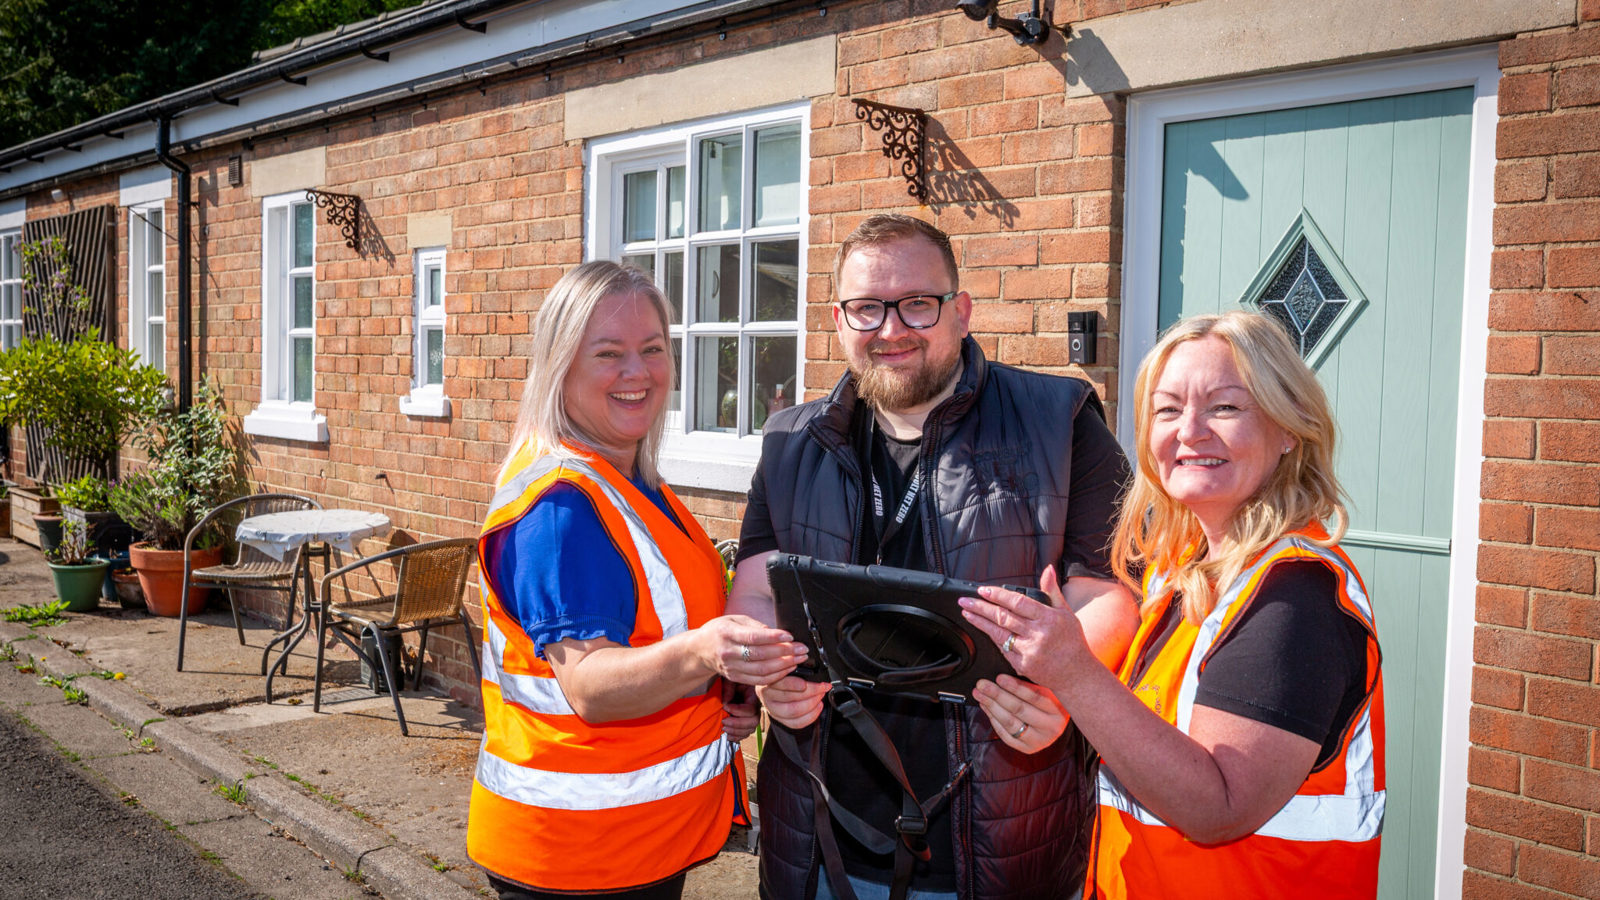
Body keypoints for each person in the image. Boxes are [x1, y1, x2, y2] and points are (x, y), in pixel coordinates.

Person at [727, 214, 1139, 900]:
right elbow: (755, 591)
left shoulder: (1062, 421)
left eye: (917, 303)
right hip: (822, 843)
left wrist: (1062, 692)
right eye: (867, 308)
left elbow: (1108, 595)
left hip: (1004, 838)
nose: (891, 329)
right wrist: (769, 674)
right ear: (838, 319)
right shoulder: (789, 442)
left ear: (962, 311)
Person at [960, 311, 1386, 899]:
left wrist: (1073, 673)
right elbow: (1150, 740)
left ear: (1289, 428)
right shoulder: (1180, 572)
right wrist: (1063, 712)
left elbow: (1219, 806)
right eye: (1167, 409)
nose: (1190, 430)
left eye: (1225, 407)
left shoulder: (1296, 596)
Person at [468, 261, 807, 900]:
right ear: (560, 367)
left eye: (652, 349)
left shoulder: (631, 484)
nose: (638, 371)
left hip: (634, 845)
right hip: (578, 856)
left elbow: (662, 630)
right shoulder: (561, 508)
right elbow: (591, 686)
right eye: (608, 353)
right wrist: (705, 654)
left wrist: (720, 687)